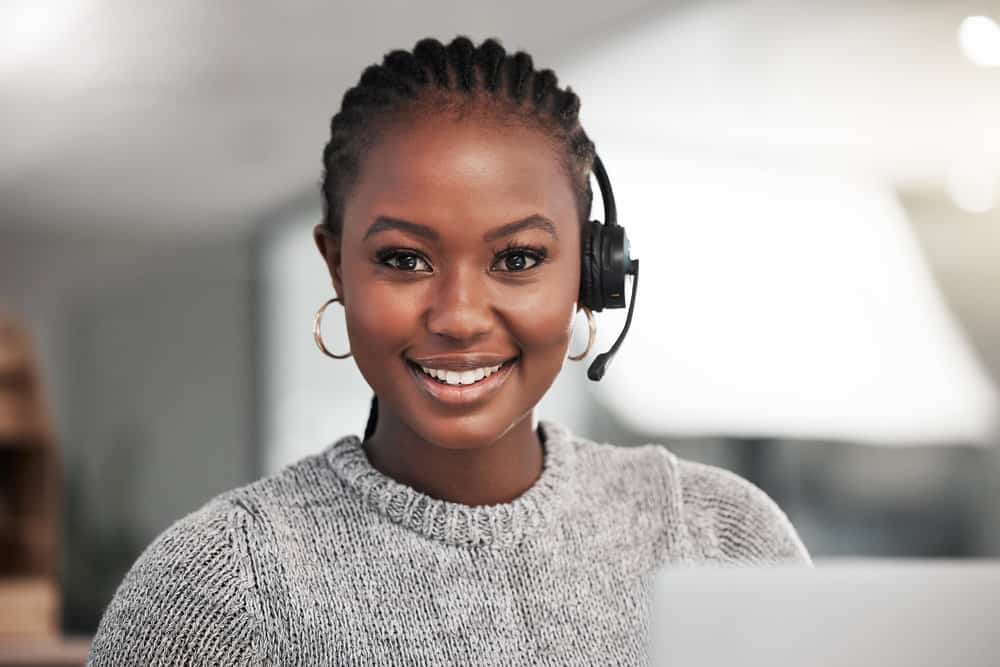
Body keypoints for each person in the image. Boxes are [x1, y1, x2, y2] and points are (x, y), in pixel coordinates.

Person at [87, 35, 810, 666]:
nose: (459, 317)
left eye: (519, 258)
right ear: (337, 266)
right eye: (404, 260)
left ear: (593, 275)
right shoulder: (215, 585)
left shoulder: (719, 536)